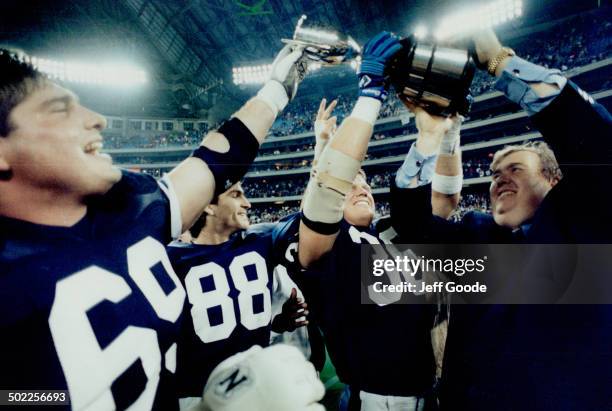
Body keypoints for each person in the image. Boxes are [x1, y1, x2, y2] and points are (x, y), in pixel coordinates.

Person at [0, 45, 323, 410]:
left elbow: (215, 162)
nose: (96, 119)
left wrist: (276, 90)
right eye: (59, 110)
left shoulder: (130, 208)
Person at [389, 30, 612, 410]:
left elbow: (594, 139)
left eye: (515, 169)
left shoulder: (587, 224)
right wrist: (431, 136)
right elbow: (412, 227)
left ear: (554, 179)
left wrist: (499, 63)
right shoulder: (476, 236)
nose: (499, 179)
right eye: (494, 173)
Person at [277, 32, 461, 411]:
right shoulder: (333, 247)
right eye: (351, 185)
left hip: (431, 396)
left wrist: (446, 133)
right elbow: (326, 190)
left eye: (364, 183)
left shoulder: (389, 234)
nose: (359, 188)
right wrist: (369, 95)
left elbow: (443, 201)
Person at [166, 181, 312, 406]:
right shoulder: (169, 260)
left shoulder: (261, 241)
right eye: (236, 194)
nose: (248, 203)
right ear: (209, 205)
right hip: (197, 394)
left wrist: (276, 324)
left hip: (256, 385)